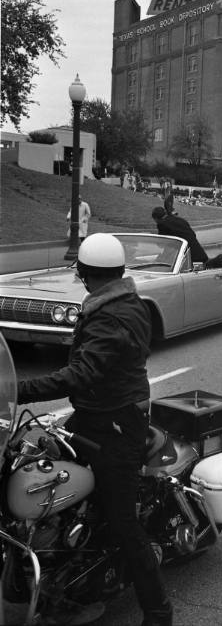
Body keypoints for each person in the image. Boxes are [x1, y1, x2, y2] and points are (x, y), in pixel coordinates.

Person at [16, 234, 173, 626]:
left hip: (117, 422)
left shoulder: (112, 314)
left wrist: (18, 390)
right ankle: (65, 582)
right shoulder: (121, 301)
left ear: (88, 275)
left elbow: (83, 373)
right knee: (48, 470)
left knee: (123, 522)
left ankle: (158, 613)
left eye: (82, 274)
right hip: (98, 412)